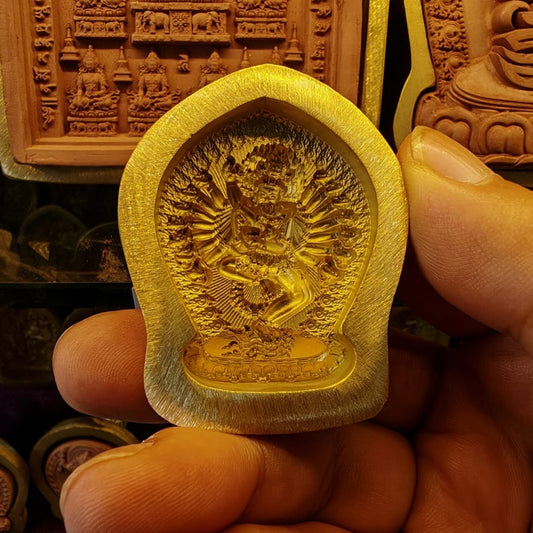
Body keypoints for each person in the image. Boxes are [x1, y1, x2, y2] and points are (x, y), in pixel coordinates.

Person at [53, 127, 533, 532]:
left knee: (299, 295)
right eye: (262, 179)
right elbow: (225, 230)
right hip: (242, 264)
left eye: (277, 180)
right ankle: (258, 334)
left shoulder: (287, 211)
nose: (269, 188)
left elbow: (302, 235)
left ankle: (268, 330)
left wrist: (285, 240)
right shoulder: (240, 204)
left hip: (281, 272)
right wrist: (240, 227)